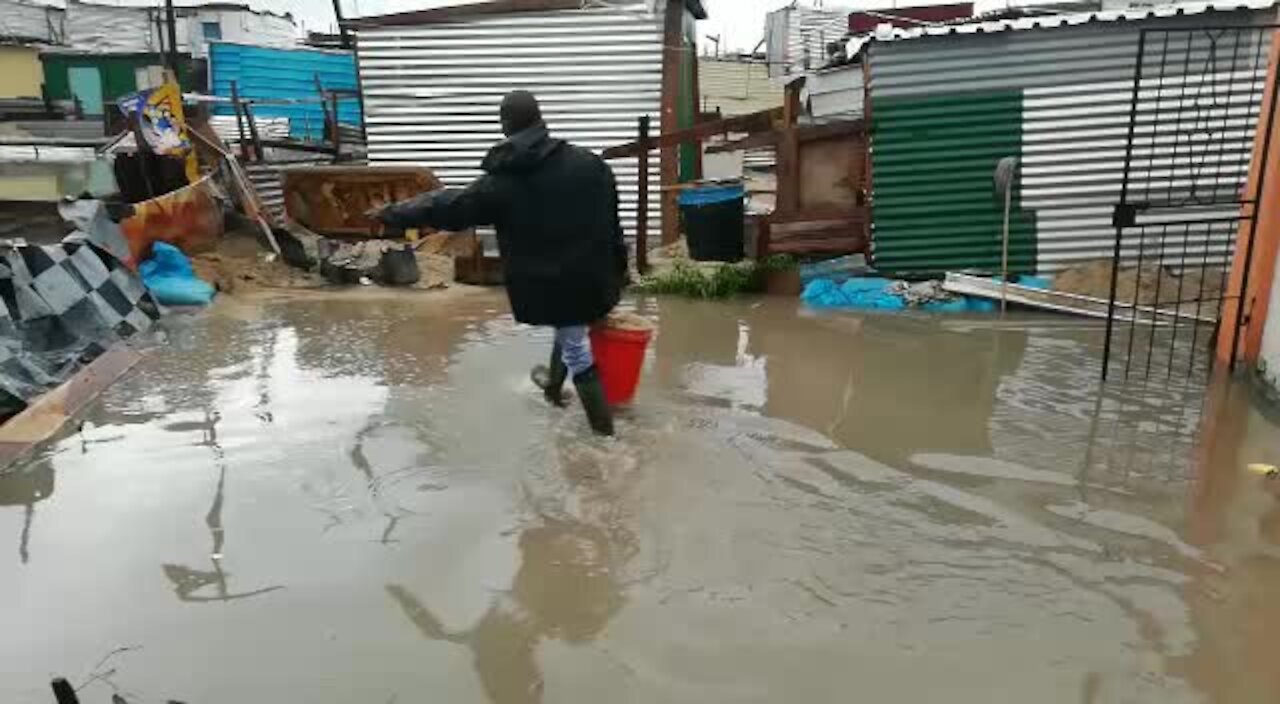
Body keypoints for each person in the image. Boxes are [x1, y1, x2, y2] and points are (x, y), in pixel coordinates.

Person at [374, 90, 627, 436]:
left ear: (505, 125)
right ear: (540, 118)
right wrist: (620, 268)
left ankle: (606, 441)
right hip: (594, 279)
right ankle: (554, 389)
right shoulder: (590, 164)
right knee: (572, 329)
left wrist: (393, 213)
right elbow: (615, 224)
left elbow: (449, 205)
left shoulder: (504, 183)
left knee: (576, 345)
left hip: (553, 283)